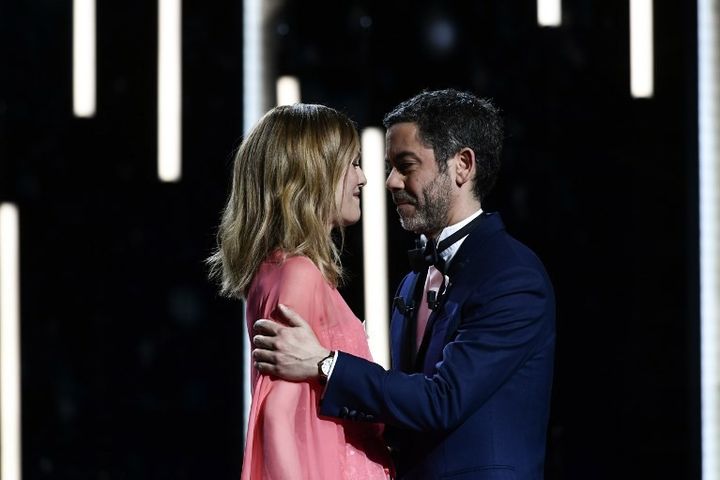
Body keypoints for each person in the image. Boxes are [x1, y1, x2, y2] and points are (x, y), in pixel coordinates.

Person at [252, 89, 556, 479]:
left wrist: (326, 365)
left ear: (463, 166)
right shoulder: (413, 282)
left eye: (405, 165)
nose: (389, 182)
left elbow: (442, 400)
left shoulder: (512, 276)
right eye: (388, 167)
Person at [206, 103, 394, 479]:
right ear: (314, 171)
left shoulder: (271, 271)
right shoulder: (299, 274)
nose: (363, 178)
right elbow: (276, 415)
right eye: (352, 163)